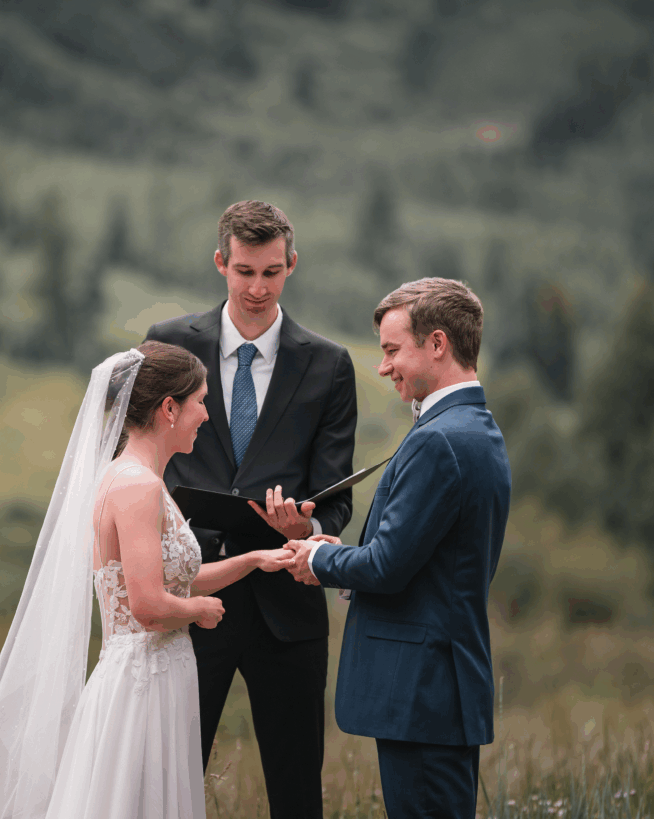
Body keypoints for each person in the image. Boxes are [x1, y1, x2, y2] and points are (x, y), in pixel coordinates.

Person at [0, 341, 293, 819]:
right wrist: (200, 612)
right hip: (141, 683)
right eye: (200, 402)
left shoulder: (140, 480)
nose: (207, 416)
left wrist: (253, 559)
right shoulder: (136, 486)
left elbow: (169, 582)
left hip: (158, 675)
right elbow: (149, 606)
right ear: (169, 408)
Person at [145, 200, 358, 819]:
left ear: (292, 265)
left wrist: (309, 527)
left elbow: (336, 493)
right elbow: (137, 459)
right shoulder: (166, 346)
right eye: (244, 272)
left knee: (296, 791)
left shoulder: (328, 365)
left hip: (286, 608)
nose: (257, 288)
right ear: (221, 264)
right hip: (187, 598)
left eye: (271, 272)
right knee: (169, 785)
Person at [285, 278, 512, 819]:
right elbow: (419, 557)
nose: (384, 367)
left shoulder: (439, 440)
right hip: (437, 691)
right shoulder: (473, 428)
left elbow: (387, 565)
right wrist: (340, 551)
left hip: (424, 693)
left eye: (392, 351)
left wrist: (317, 558)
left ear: (437, 344)